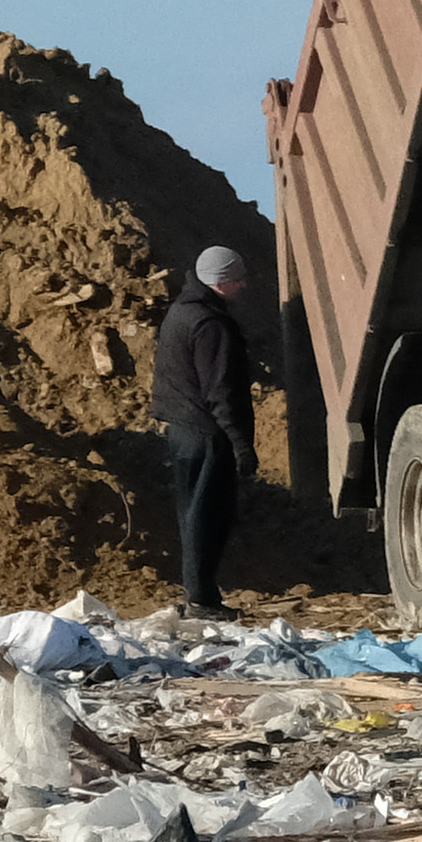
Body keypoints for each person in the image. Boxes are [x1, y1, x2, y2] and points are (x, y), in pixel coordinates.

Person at [152, 244, 259, 615]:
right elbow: (221, 391)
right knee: (207, 516)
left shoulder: (181, 313)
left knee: (193, 514)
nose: (243, 285)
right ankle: (201, 600)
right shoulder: (210, 325)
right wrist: (241, 444)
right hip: (205, 433)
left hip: (184, 429)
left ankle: (200, 596)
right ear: (220, 282)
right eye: (237, 279)